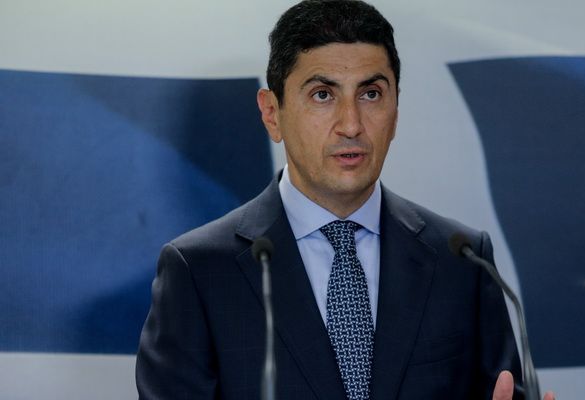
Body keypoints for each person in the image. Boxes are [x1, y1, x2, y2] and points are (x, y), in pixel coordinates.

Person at [136, 1, 555, 399]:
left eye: (371, 94)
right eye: (323, 94)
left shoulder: (462, 261)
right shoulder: (199, 271)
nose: (351, 124)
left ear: (395, 110)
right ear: (272, 113)